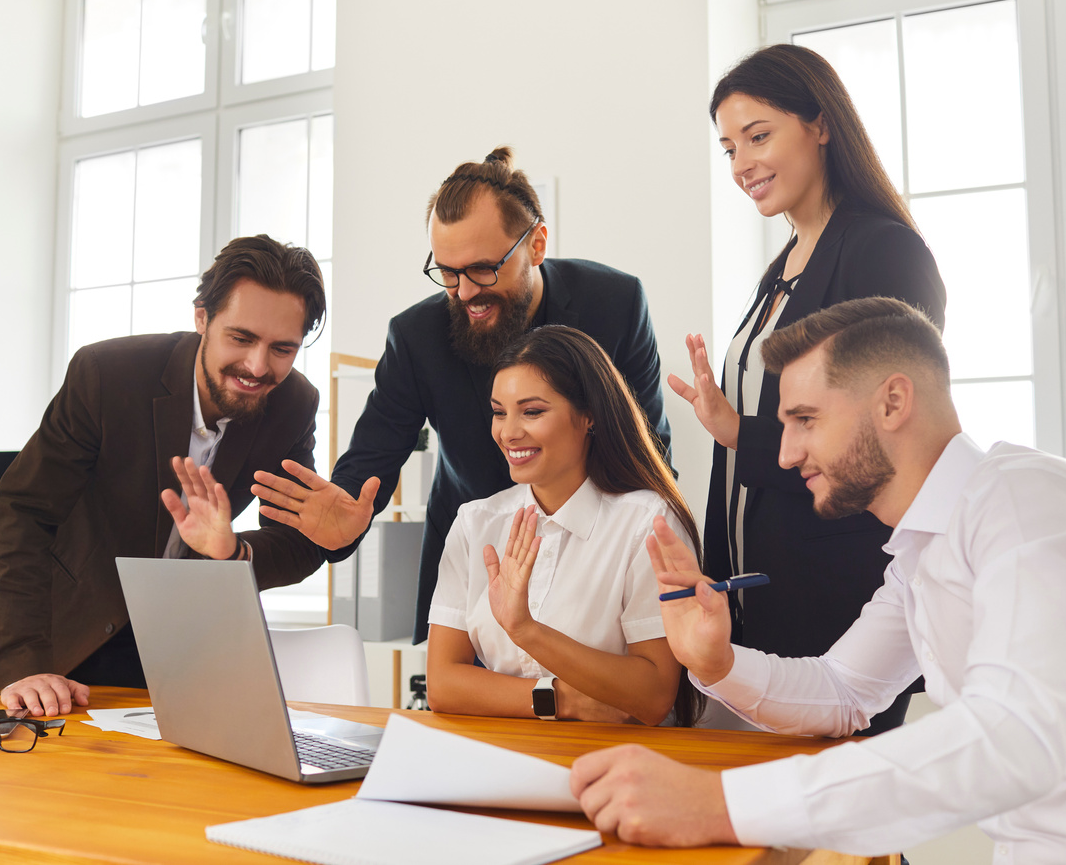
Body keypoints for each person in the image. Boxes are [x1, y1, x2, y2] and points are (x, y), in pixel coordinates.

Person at [571, 298, 1066, 861]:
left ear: (893, 402)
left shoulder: (1028, 503)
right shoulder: (924, 550)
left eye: (805, 420)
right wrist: (715, 661)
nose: (785, 453)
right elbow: (845, 692)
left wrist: (720, 804)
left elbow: (1013, 741)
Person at [251, 148, 672, 643]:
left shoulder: (614, 304)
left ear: (536, 243)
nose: (465, 292)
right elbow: (374, 453)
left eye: (482, 270)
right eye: (447, 273)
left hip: (596, 557)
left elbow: (649, 452)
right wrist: (345, 512)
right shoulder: (417, 335)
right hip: (470, 565)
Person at [668, 44, 946, 733]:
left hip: (838, 604)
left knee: (837, 829)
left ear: (820, 124)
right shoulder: (781, 268)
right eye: (729, 148)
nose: (742, 165)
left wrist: (739, 432)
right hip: (757, 599)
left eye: (758, 137)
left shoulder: (881, 250)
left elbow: (881, 437)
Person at [0, 235, 330, 717]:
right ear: (202, 317)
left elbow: (298, 540)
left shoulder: (293, 405)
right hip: (65, 641)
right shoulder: (107, 375)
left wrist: (231, 551)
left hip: (181, 651)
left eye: (282, 349)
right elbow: (23, 512)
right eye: (242, 338)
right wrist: (22, 662)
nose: (257, 366)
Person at [426, 326, 699, 726]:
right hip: (504, 756)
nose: (508, 432)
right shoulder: (476, 523)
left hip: (620, 763)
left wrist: (526, 630)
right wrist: (558, 700)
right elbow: (443, 684)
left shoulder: (647, 523)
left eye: (532, 411)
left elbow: (655, 694)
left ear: (588, 416)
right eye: (499, 412)